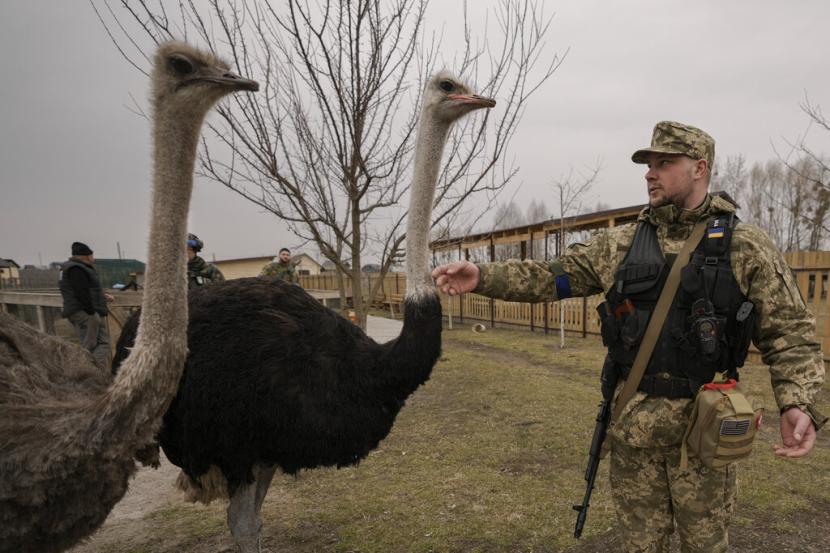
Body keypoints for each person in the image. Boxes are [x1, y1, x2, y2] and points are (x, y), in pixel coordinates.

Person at [432, 121, 827, 553]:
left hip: (706, 430)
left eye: (664, 162)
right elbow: (551, 278)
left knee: (706, 545)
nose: (649, 173)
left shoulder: (744, 245)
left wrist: (797, 402)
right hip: (633, 429)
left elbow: (791, 332)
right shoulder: (619, 244)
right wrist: (483, 275)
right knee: (639, 545)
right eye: (648, 163)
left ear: (699, 168)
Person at [58, 241, 114, 368]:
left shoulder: (75, 268)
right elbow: (81, 291)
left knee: (104, 343)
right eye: (92, 255)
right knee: (89, 346)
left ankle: (94, 371)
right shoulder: (76, 269)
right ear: (85, 256)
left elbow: (88, 289)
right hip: (85, 312)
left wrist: (103, 295)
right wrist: (91, 313)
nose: (93, 258)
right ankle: (85, 370)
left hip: (85, 311)